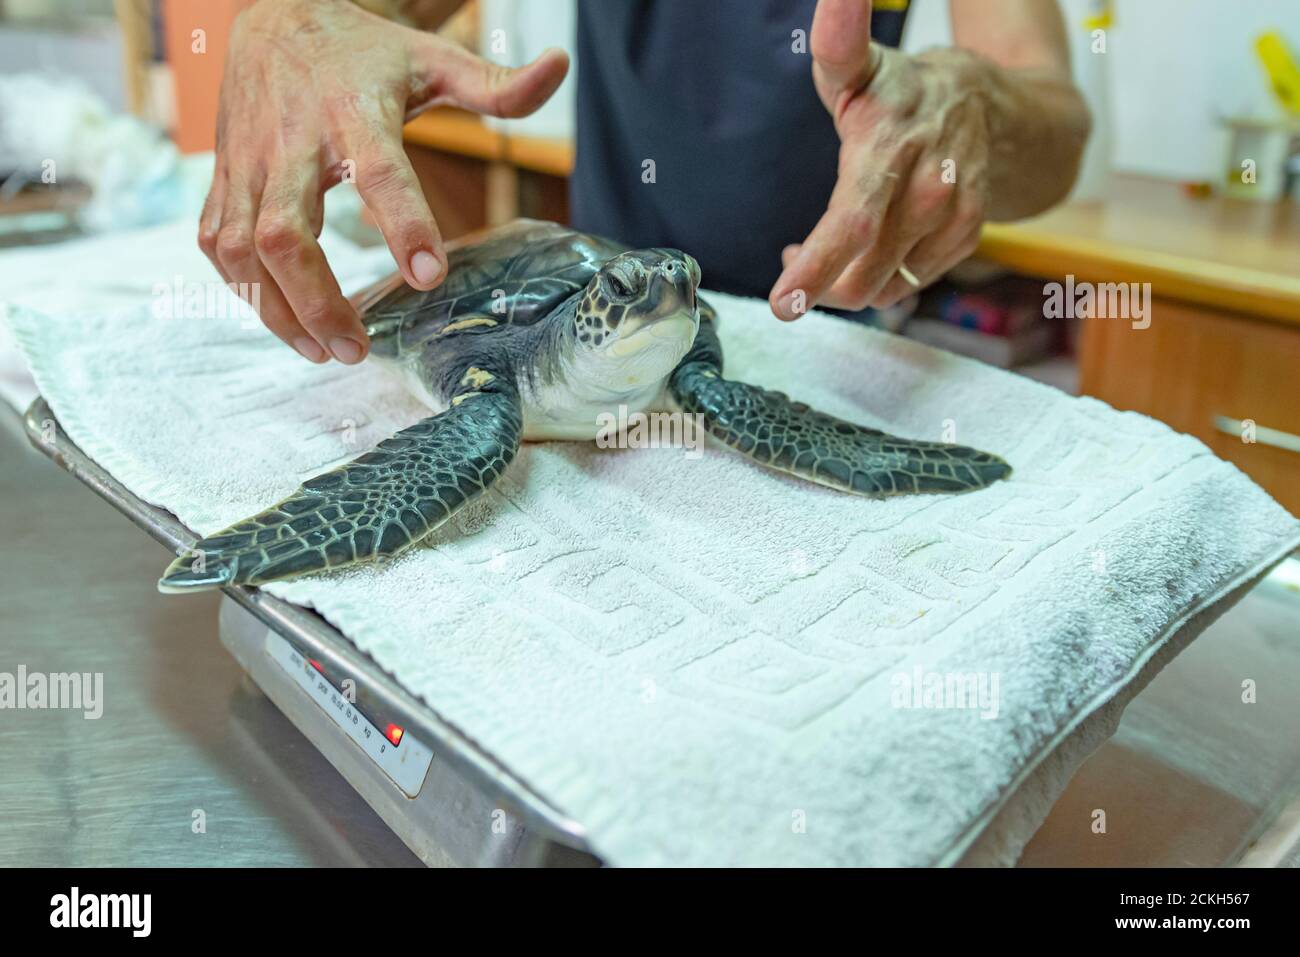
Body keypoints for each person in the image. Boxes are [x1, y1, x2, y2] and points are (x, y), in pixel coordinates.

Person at [199, 0, 1090, 365]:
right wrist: (294, 24)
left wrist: (974, 105)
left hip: (817, 347)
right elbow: (354, 11)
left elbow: (1055, 119)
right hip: (586, 320)